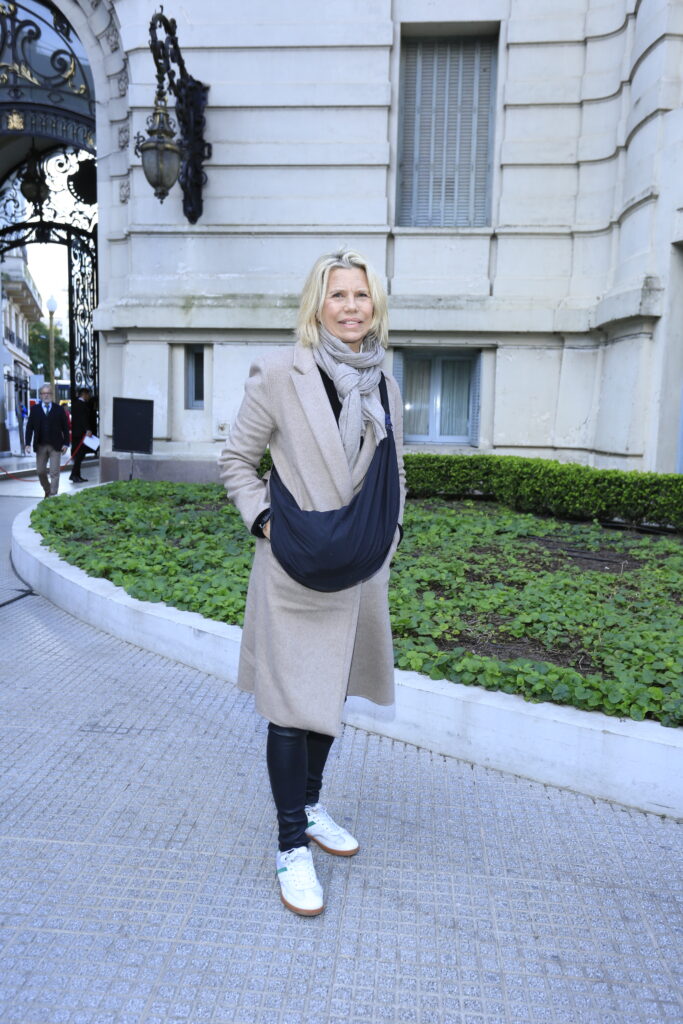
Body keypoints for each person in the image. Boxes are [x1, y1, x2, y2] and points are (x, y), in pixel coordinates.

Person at [218, 249, 405, 917]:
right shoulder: (279, 373)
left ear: (375, 305)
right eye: (338, 295)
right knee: (291, 708)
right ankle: (290, 843)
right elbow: (236, 460)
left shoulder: (383, 382)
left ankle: (312, 803)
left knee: (333, 692)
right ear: (317, 304)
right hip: (295, 570)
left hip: (359, 572)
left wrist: (390, 535)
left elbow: (394, 471)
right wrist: (267, 522)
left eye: (362, 295)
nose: (351, 307)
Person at [25, 384, 70, 498]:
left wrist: (66, 443)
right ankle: (48, 489)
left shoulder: (59, 409)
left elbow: (65, 427)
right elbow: (29, 427)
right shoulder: (34, 409)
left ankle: (52, 496)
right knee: (40, 471)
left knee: (54, 472)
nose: (46, 395)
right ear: (40, 395)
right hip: (40, 445)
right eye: (44, 393)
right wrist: (27, 443)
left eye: (48, 393)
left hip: (56, 445)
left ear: (51, 395)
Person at [69, 387, 97, 483]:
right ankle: (74, 475)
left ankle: (76, 475)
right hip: (80, 434)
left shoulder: (76, 404)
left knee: (79, 456)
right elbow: (83, 419)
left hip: (77, 433)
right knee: (79, 456)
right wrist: (87, 429)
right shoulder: (81, 405)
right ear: (84, 394)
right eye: (88, 394)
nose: (89, 397)